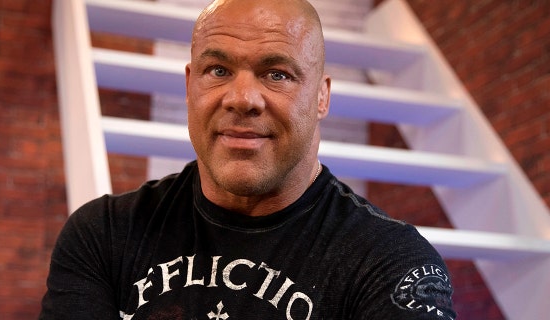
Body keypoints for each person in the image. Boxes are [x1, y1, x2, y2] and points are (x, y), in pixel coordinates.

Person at [40, 0, 456, 319]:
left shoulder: (389, 264)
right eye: (218, 70)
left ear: (321, 96)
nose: (241, 99)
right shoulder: (104, 235)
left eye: (277, 74)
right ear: (190, 86)